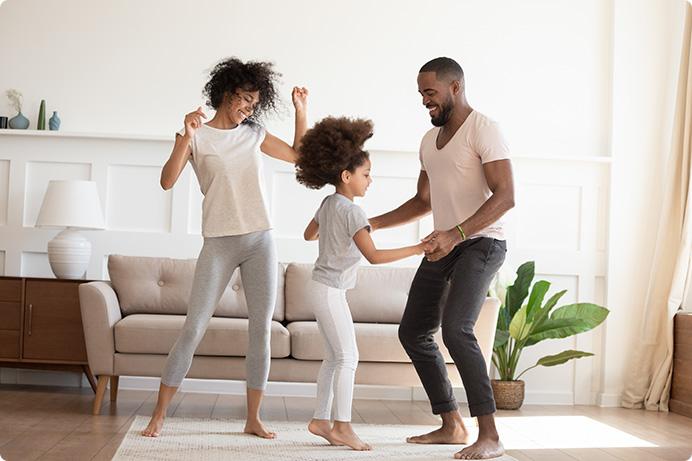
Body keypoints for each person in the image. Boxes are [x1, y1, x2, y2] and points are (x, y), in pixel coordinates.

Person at [141, 57, 308, 439]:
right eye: (243, 100)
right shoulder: (196, 135)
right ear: (225, 93)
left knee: (260, 330)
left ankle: (253, 419)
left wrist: (301, 111)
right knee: (193, 327)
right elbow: (167, 181)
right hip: (218, 243)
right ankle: (159, 415)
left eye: (253, 104)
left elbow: (299, 156)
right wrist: (185, 135)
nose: (248, 109)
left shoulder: (254, 133)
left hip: (259, 240)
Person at [369, 57, 515, 460]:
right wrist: (372, 224)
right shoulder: (427, 142)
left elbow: (506, 196)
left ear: (455, 87)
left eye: (429, 93)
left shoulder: (484, 129)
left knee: (457, 329)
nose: (424, 101)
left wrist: (457, 233)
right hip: (444, 244)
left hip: (481, 243)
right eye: (420, 94)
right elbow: (422, 201)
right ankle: (451, 424)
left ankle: (490, 435)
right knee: (413, 330)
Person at [295, 116, 426, 451]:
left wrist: (336, 231)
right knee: (348, 357)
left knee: (333, 357)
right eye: (366, 175)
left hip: (320, 287)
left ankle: (321, 420)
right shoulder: (354, 213)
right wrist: (419, 247)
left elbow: (309, 234)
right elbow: (375, 257)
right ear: (346, 176)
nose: (370, 181)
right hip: (330, 290)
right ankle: (342, 426)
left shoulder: (329, 203)